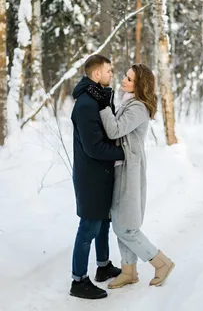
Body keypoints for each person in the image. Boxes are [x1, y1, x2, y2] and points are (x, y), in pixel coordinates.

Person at [88, 63, 174, 290]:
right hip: (121, 166)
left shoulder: (137, 107)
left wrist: (103, 105)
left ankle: (161, 262)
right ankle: (129, 271)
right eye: (125, 76)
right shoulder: (130, 102)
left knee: (125, 226)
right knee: (120, 220)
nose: (123, 80)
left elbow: (115, 130)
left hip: (130, 168)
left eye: (129, 78)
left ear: (139, 85)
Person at [70, 55, 125, 300]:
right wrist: (124, 152)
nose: (112, 74)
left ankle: (103, 266)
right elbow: (94, 147)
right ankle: (78, 281)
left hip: (101, 173)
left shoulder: (99, 98)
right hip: (90, 176)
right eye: (108, 71)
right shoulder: (85, 104)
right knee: (89, 226)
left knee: (104, 222)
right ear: (95, 75)